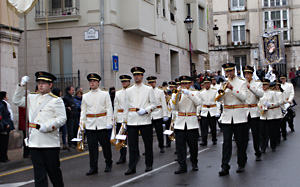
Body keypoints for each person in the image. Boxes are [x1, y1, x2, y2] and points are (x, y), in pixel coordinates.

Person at [13, 71, 66, 186]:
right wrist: (21, 86)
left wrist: (47, 126)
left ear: (50, 85)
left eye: (44, 83)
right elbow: (16, 101)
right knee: (39, 174)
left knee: (53, 171)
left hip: (49, 143)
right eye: (39, 83)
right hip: (34, 142)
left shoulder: (56, 100)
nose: (40, 85)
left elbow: (62, 119)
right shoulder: (31, 97)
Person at [123, 67, 156, 175]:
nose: (136, 76)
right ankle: (132, 167)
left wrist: (146, 110)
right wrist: (124, 121)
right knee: (132, 146)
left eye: (138, 75)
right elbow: (126, 106)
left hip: (144, 119)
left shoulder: (148, 89)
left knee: (148, 144)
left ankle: (149, 164)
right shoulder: (128, 90)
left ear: (142, 76)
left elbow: (153, 104)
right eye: (135, 75)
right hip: (132, 120)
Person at [216, 63, 248, 176]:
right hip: (227, 117)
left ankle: (241, 163)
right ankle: (225, 166)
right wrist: (221, 92)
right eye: (227, 72)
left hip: (239, 116)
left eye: (230, 71)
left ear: (234, 71)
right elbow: (218, 99)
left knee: (240, 142)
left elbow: (244, 98)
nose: (228, 74)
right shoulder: (222, 84)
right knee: (226, 143)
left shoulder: (242, 82)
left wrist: (232, 88)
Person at [80, 73, 113, 175]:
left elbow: (109, 108)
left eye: (94, 81)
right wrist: (82, 124)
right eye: (90, 81)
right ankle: (93, 167)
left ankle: (108, 162)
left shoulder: (104, 94)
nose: (92, 83)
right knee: (92, 148)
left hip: (102, 123)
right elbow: (83, 111)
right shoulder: (85, 95)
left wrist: (109, 122)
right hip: (90, 125)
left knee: (105, 146)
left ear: (98, 83)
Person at [170, 75, 201, 174]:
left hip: (191, 122)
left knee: (193, 145)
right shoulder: (176, 94)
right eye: (182, 83)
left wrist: (189, 94)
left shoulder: (196, 93)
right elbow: (174, 108)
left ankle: (194, 163)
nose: (184, 85)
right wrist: (177, 96)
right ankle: (182, 165)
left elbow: (198, 103)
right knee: (180, 146)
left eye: (186, 83)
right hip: (180, 122)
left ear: (191, 83)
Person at [242, 65, 264, 161]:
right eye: (245, 73)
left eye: (248, 73)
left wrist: (250, 87)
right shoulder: (241, 84)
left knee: (256, 134)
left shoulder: (257, 83)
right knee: (244, 136)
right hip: (244, 112)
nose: (247, 75)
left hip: (254, 112)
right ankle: (244, 155)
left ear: (252, 74)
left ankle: (257, 151)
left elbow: (260, 94)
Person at [147, 76, 169, 153]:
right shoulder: (146, 91)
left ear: (155, 83)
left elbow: (163, 103)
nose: (151, 84)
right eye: (150, 82)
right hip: (149, 115)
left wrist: (165, 114)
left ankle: (161, 146)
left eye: (152, 82)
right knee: (148, 134)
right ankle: (148, 148)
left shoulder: (160, 91)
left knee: (159, 132)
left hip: (158, 113)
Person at [258, 78, 280, 152]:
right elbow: (257, 102)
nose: (264, 86)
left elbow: (277, 102)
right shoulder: (259, 93)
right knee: (262, 132)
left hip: (270, 114)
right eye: (263, 85)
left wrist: (270, 104)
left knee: (271, 131)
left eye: (265, 85)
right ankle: (263, 147)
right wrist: (261, 106)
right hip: (262, 115)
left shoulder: (272, 93)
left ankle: (273, 145)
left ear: (268, 85)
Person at [113, 75, 132, 164]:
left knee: (132, 138)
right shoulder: (118, 93)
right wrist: (114, 117)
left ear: (129, 82)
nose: (124, 83)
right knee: (121, 138)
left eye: (125, 81)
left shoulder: (132, 91)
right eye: (122, 82)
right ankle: (122, 156)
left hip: (130, 117)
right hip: (120, 118)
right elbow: (116, 105)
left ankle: (135, 154)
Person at [198, 77, 220, 146]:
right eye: (205, 83)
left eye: (207, 83)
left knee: (213, 127)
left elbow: (217, 102)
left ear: (210, 84)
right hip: (204, 111)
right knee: (204, 127)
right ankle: (204, 140)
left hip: (212, 110)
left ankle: (214, 139)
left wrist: (217, 111)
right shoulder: (201, 92)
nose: (206, 85)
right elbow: (199, 103)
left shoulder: (214, 91)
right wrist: (197, 112)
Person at [0, 91, 14, 162]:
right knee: (3, 143)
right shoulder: (2, 105)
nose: (7, 97)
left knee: (4, 143)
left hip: (5, 126)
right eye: (6, 95)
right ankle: (3, 157)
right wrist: (6, 124)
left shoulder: (4, 104)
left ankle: (4, 157)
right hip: (4, 127)